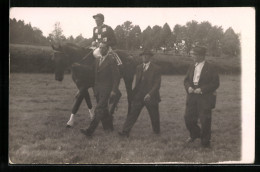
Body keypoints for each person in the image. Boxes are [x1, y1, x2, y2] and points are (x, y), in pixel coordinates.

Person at [80, 42, 120, 137]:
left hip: (107, 89)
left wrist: (114, 90)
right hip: (97, 89)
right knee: (104, 109)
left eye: (103, 48)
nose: (101, 49)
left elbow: (116, 77)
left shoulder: (112, 60)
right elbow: (92, 74)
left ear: (107, 49)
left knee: (98, 109)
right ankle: (109, 127)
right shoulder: (97, 60)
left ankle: (89, 131)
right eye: (100, 47)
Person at [118, 49, 161, 137]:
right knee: (132, 113)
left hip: (151, 96)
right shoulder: (138, 67)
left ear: (150, 57)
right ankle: (125, 132)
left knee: (154, 116)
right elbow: (137, 83)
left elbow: (157, 84)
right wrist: (133, 94)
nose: (144, 57)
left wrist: (150, 94)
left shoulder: (156, 68)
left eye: (147, 55)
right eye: (143, 55)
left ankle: (156, 132)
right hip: (139, 95)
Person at [184, 45, 220, 148]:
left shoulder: (211, 67)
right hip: (192, 96)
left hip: (205, 97)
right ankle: (195, 134)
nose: (192, 56)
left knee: (205, 120)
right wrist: (188, 88)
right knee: (188, 118)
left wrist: (202, 89)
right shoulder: (191, 66)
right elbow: (186, 80)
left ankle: (205, 142)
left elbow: (215, 83)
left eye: (193, 54)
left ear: (200, 55)